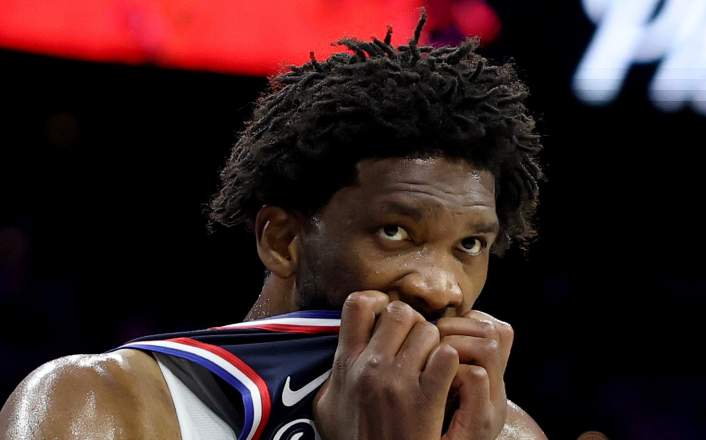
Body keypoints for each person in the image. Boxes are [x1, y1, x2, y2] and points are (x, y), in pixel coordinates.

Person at [0, 9, 546, 440]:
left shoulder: (506, 432)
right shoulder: (97, 402)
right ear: (282, 239)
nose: (442, 288)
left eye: (470, 244)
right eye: (395, 232)